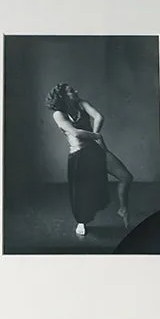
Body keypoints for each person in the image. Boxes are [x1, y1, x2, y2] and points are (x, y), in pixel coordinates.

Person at [45, 83, 135, 237]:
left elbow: (99, 117)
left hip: (95, 150)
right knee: (82, 194)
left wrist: (95, 133)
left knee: (126, 177)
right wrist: (96, 136)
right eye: (71, 91)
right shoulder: (58, 114)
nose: (76, 91)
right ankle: (81, 222)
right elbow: (75, 132)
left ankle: (123, 209)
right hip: (79, 156)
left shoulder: (81, 103)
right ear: (63, 96)